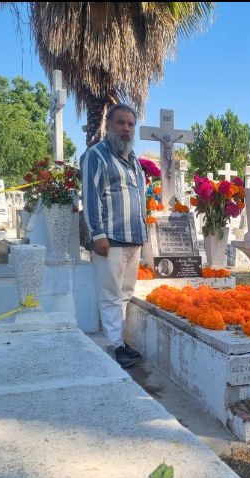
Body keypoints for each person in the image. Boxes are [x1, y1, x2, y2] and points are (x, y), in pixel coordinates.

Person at [80, 103, 147, 369]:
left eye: (130, 124)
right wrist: (98, 234)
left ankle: (118, 341)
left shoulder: (133, 161)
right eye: (121, 123)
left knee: (126, 294)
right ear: (109, 126)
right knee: (109, 294)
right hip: (111, 239)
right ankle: (113, 346)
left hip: (133, 239)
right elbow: (91, 196)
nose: (126, 129)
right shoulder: (97, 155)